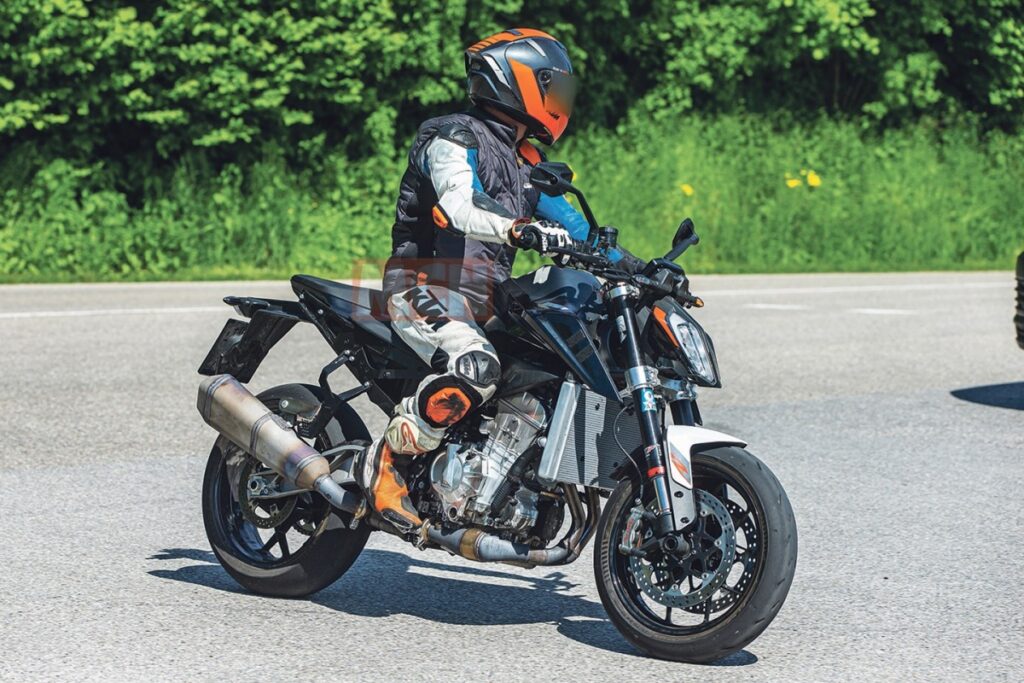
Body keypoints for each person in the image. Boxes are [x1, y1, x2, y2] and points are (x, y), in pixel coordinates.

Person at [358, 28, 644, 536]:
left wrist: (642, 269)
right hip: (424, 285)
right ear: (516, 81)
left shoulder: (525, 162)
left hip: (485, 298)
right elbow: (460, 202)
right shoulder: (451, 137)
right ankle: (387, 464)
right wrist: (518, 227)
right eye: (553, 87)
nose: (561, 101)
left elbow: (581, 232)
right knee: (475, 365)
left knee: (556, 364)